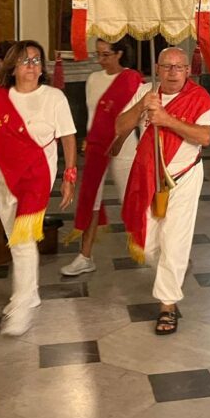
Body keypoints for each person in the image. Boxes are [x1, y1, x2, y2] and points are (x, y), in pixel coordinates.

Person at [0, 41, 77, 337]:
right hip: (4, 175)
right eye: (25, 61)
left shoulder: (54, 97)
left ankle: (22, 304)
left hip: (37, 174)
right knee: (15, 237)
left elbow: (69, 137)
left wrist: (69, 175)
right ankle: (29, 294)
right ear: (12, 66)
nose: (32, 66)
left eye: (36, 60)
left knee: (21, 239)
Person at [114, 47, 210, 336]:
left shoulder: (199, 98)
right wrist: (142, 107)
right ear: (157, 69)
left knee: (174, 240)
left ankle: (167, 305)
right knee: (146, 244)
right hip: (148, 175)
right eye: (167, 67)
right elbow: (120, 126)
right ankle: (175, 264)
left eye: (179, 67)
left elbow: (205, 137)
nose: (173, 73)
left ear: (188, 70)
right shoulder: (146, 92)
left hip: (183, 177)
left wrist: (167, 120)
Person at [60, 38, 143, 276]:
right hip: (97, 147)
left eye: (106, 54)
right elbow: (92, 114)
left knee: (132, 199)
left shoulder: (132, 80)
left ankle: (153, 247)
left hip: (124, 147)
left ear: (119, 53)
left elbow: (138, 117)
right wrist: (90, 138)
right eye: (98, 54)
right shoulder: (93, 79)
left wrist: (118, 141)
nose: (100, 60)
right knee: (90, 200)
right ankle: (84, 256)